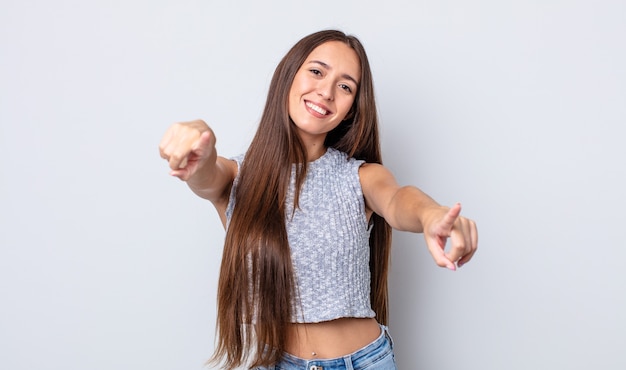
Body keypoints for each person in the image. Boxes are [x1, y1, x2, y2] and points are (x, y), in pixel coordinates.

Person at [159, 29, 477, 370]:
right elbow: (208, 175)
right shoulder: (240, 177)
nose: (326, 91)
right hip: (280, 362)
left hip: (365, 362)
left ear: (351, 109)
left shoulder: (360, 176)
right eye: (316, 71)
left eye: (345, 86)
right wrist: (197, 140)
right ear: (288, 76)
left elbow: (399, 200)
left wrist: (431, 215)